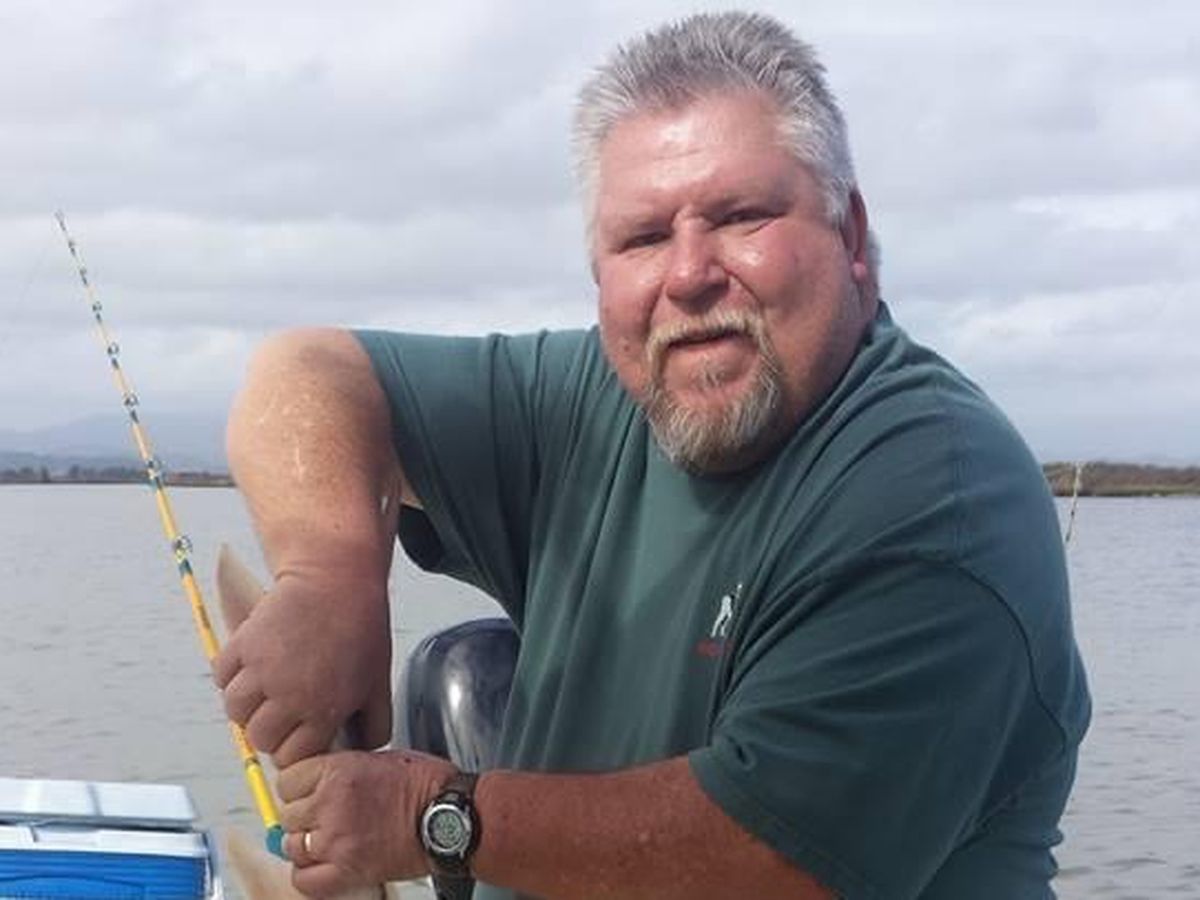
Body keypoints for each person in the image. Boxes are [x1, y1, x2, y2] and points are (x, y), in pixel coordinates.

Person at [213, 11, 1090, 899]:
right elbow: (308, 375)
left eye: (741, 217)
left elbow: (766, 861)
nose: (688, 274)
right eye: (642, 237)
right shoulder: (592, 401)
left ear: (851, 234)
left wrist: (431, 817)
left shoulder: (934, 499)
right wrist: (329, 578)